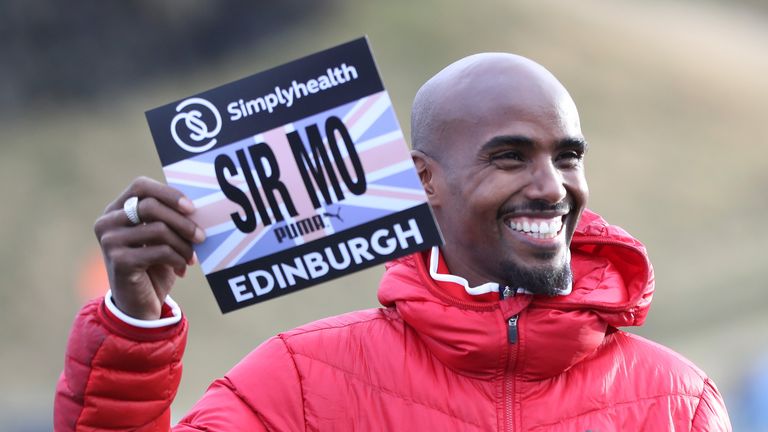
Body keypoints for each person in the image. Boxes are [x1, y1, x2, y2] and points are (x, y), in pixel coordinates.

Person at [54, 53, 732, 431]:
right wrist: (134, 325)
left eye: (568, 156)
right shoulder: (295, 384)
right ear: (423, 179)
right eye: (510, 156)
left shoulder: (678, 402)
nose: (551, 186)